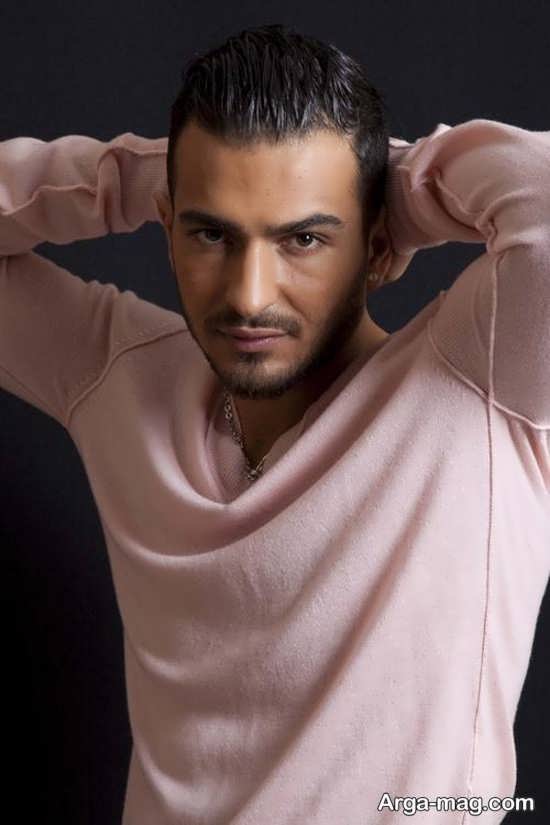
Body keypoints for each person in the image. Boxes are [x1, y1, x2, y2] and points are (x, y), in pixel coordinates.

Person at [1, 20, 549, 825]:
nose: (250, 294)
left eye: (303, 238)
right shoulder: (119, 375)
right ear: (167, 227)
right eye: (211, 232)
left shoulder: (478, 381)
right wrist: (134, 176)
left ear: (378, 245)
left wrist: (400, 185)